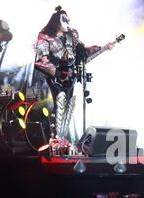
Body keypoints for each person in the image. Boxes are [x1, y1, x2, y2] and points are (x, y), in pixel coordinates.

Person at [34, 6, 113, 155]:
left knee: (70, 104)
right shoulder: (45, 36)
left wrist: (103, 48)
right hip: (56, 76)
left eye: (68, 20)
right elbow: (41, 60)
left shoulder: (72, 36)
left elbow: (83, 53)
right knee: (61, 100)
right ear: (57, 21)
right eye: (64, 19)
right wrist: (56, 72)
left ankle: (62, 138)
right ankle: (56, 139)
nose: (68, 22)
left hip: (70, 76)